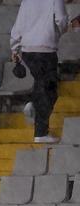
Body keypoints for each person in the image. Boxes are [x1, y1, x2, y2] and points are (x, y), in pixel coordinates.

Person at [11, 0, 80, 144]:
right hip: (45, 48)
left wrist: (14, 47)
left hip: (27, 50)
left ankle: (34, 107)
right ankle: (40, 131)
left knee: (40, 83)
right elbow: (61, 19)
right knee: (50, 91)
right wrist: (58, 32)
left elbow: (18, 24)